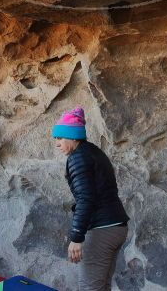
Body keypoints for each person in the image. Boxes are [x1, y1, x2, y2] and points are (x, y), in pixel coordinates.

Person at [52, 107, 129, 291]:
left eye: (60, 138)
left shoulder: (78, 157)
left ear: (73, 136)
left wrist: (76, 237)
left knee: (89, 287)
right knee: (101, 286)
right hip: (117, 226)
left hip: (102, 229)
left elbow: (86, 198)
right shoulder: (93, 152)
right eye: (56, 138)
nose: (57, 143)